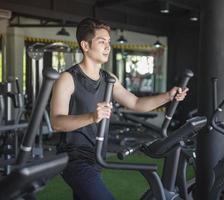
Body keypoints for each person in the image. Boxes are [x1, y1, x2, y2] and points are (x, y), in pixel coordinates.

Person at [50, 17, 189, 200]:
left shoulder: (109, 78)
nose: (108, 46)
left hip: (97, 156)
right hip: (74, 159)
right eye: (102, 42)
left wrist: (168, 96)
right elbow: (56, 122)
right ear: (85, 45)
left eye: (108, 42)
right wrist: (92, 117)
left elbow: (137, 104)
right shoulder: (67, 79)